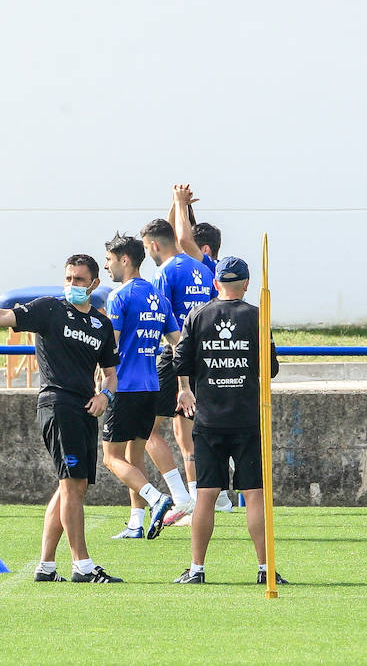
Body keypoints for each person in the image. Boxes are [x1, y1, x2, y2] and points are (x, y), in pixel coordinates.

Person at [0, 254, 124, 583]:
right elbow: (4, 315)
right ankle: (83, 566)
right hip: (57, 404)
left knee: (72, 488)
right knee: (71, 486)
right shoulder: (50, 309)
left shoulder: (101, 325)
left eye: (79, 280)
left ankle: (46, 567)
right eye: (69, 278)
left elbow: (111, 375)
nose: (73, 285)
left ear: (94, 284)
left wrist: (106, 396)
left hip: (85, 410)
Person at [170, 257, 283, 585]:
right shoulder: (256, 317)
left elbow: (181, 360)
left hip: (210, 419)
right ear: (246, 283)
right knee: (255, 494)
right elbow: (270, 369)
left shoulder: (197, 315)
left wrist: (185, 390)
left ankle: (197, 569)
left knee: (205, 494)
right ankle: (265, 569)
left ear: (216, 283)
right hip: (247, 418)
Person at [101, 234, 179, 540]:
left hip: (124, 387)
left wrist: (99, 379)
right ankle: (136, 523)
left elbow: (112, 344)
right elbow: (177, 342)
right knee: (134, 458)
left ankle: (157, 497)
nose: (106, 266)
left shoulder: (118, 297)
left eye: (108, 260)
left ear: (124, 259)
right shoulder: (158, 297)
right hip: (151, 387)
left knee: (110, 458)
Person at [140, 217, 217, 525]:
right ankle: (198, 502)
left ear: (154, 245)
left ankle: (180, 497)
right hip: (203, 357)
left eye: (147, 248)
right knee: (190, 432)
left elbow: (162, 319)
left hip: (175, 358)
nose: (148, 254)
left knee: (146, 428)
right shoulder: (202, 268)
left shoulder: (164, 272)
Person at [172, 183, 236, 515]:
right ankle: (215, 497)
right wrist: (179, 207)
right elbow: (180, 238)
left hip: (200, 359)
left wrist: (180, 203)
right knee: (192, 431)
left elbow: (183, 241)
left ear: (206, 250)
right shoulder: (213, 268)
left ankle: (210, 498)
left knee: (191, 433)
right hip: (210, 356)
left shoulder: (210, 266)